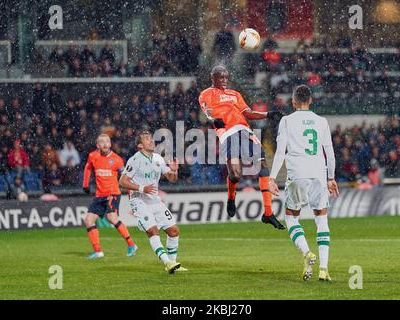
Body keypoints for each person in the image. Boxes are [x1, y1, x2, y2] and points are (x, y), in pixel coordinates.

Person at [198, 65, 285, 230]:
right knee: (235, 175)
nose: (224, 80)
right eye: (221, 77)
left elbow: (248, 112)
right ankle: (231, 197)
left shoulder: (235, 94)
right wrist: (213, 120)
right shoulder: (206, 93)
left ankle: (268, 213)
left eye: (226, 77)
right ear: (213, 78)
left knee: (262, 166)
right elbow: (207, 111)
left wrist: (268, 114)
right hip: (227, 133)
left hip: (245, 130)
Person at [268, 85, 339, 282]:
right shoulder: (322, 121)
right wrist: (331, 178)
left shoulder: (286, 121)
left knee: (291, 217)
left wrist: (272, 177)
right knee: (322, 218)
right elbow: (329, 153)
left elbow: (281, 151)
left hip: (297, 173)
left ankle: (307, 253)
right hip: (318, 173)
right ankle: (324, 269)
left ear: (293, 102)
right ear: (311, 100)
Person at [119, 130, 186, 274]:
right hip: (139, 200)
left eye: (151, 139)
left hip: (155, 200)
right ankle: (166, 262)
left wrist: (174, 171)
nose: (151, 141)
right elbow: (122, 181)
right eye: (147, 139)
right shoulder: (135, 160)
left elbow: (172, 179)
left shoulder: (158, 158)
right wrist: (142, 188)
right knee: (152, 230)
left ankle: (173, 263)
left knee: (174, 231)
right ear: (140, 146)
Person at [82, 134, 137, 259]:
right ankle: (98, 251)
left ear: (110, 144)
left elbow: (124, 178)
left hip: (113, 193)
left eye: (107, 141)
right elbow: (87, 168)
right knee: (88, 220)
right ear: (97, 145)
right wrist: (85, 184)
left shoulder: (117, 160)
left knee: (111, 218)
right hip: (99, 195)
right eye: (101, 142)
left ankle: (131, 244)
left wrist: (130, 192)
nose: (105, 144)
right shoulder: (93, 156)